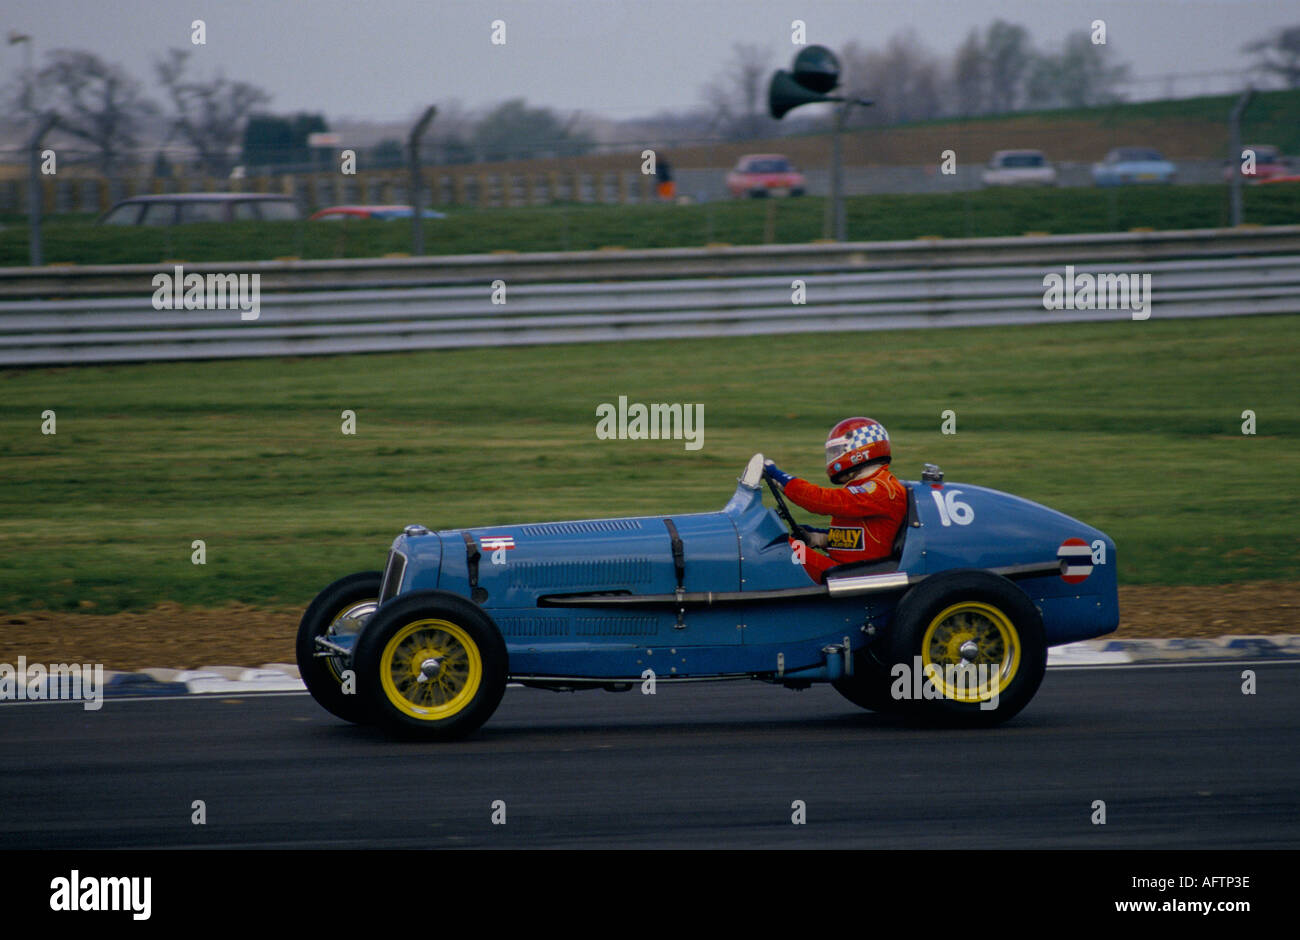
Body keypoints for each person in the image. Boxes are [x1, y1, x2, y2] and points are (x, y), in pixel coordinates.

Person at [763, 417, 908, 583]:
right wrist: (816, 537)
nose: (834, 457)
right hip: (843, 566)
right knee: (779, 545)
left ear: (860, 451)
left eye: (838, 452)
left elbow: (823, 501)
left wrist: (779, 476)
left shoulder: (881, 489)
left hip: (853, 575)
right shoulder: (870, 485)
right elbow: (859, 538)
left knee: (777, 547)